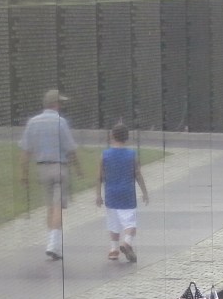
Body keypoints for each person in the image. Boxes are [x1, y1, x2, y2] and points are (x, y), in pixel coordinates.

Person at [19, 88, 81, 260]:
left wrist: (24, 174)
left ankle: (53, 242)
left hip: (42, 168)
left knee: (50, 206)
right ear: (55, 104)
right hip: (59, 167)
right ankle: (53, 244)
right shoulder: (61, 122)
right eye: (60, 103)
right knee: (58, 206)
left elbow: (25, 150)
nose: (61, 106)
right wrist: (78, 168)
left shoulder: (32, 122)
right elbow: (70, 149)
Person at [96, 123, 149, 262]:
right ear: (127, 137)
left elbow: (100, 176)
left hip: (111, 193)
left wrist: (98, 195)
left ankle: (113, 249)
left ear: (112, 136)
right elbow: (137, 174)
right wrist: (144, 192)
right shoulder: (131, 155)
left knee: (113, 223)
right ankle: (127, 242)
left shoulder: (105, 155)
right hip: (127, 194)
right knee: (130, 223)